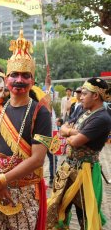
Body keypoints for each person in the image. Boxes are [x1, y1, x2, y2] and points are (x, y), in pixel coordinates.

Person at [0, 30, 52, 230]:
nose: (19, 80)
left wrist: (2, 180)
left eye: (25, 75)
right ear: (6, 79)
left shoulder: (41, 112)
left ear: (32, 80)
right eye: (14, 75)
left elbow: (38, 159)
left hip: (25, 191)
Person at [47, 77, 111, 230]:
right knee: (57, 207)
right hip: (67, 168)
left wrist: (69, 133)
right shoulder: (83, 109)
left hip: (85, 173)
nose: (80, 97)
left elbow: (75, 142)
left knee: (85, 214)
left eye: (84, 94)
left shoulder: (102, 118)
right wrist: (72, 132)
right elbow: (63, 127)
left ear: (95, 95)